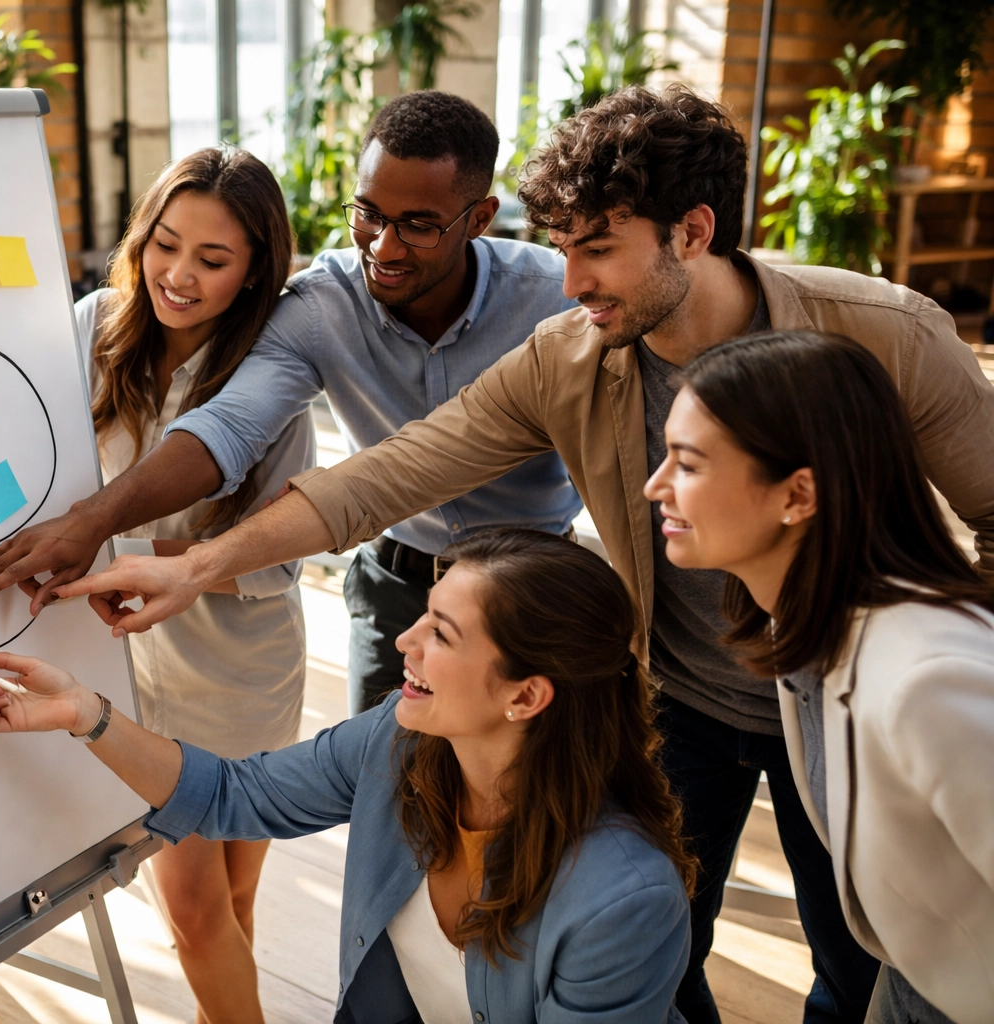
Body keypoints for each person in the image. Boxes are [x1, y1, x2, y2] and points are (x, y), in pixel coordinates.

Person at [49, 86, 994, 1024]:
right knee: (660, 945)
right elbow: (391, 474)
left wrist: (941, 657)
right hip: (681, 694)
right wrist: (185, 565)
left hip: (840, 694)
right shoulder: (567, 348)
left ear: (693, 231)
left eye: (596, 252)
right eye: (565, 249)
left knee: (860, 955)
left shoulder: (884, 337)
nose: (571, 280)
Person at [0, 90, 579, 715]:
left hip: (536, 587)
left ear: (478, 220)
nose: (385, 247)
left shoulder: (557, 299)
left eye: (419, 226)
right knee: (383, 786)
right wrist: (92, 522)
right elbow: (228, 428)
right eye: (368, 214)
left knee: (546, 790)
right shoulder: (321, 308)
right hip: (397, 583)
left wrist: (107, 537)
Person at [0, 528, 696, 1023]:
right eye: (424, 616)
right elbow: (232, 794)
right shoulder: (398, 744)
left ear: (526, 696)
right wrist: (86, 714)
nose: (405, 640)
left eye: (441, 634)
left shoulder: (623, 900)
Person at [643, 330, 994, 1024]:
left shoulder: (931, 677)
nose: (656, 486)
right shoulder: (801, 626)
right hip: (916, 978)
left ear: (798, 495)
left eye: (686, 464)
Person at [74, 146, 312, 1024]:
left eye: (213, 261)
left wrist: (164, 567)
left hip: (243, 668)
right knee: (194, 909)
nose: (179, 275)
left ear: (255, 272)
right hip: (128, 668)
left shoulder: (274, 370)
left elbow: (282, 554)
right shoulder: (91, 329)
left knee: (235, 901)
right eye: (165, 245)